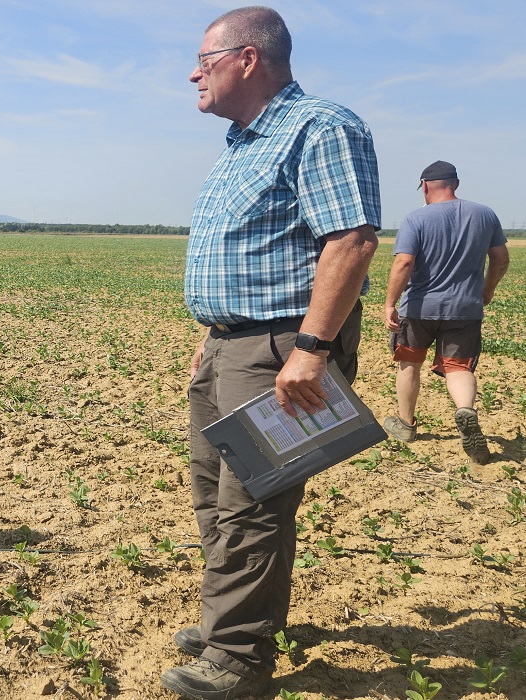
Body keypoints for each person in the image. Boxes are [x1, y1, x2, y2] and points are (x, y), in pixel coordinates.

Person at [167, 7, 380, 698]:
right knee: (212, 493)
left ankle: (237, 660)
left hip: (283, 348)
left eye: (205, 58)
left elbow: (349, 241)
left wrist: (312, 350)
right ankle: (240, 621)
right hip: (232, 346)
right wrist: (213, 342)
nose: (194, 71)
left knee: (252, 502)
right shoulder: (242, 141)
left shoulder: (319, 126)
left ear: (248, 59)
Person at [381, 161, 509, 464]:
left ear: (425, 186)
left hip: (419, 309)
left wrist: (389, 303)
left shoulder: (416, 218)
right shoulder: (486, 214)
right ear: (456, 183)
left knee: (409, 363)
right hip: (465, 309)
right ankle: (465, 409)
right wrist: (487, 290)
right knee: (459, 368)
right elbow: (501, 258)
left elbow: (403, 263)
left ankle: (406, 425)